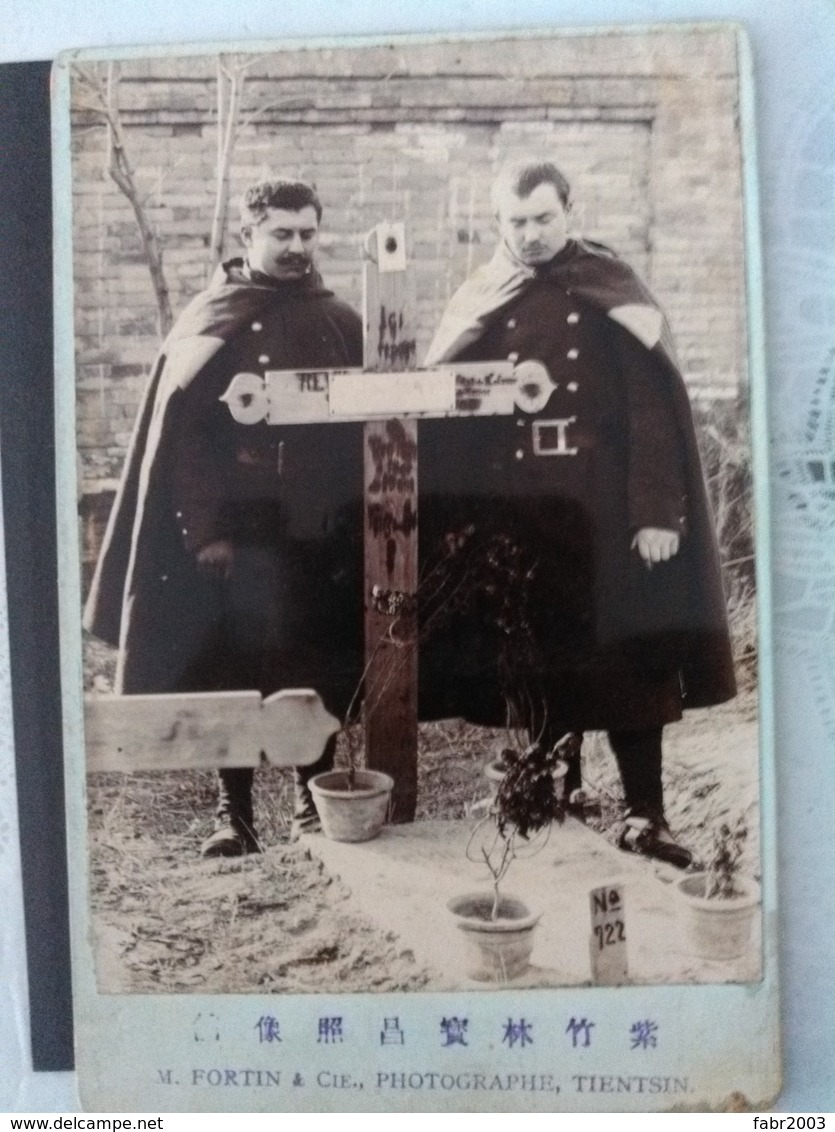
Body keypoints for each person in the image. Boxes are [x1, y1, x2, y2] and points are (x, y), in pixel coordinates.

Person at [420, 159, 737, 867]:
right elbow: (447, 403)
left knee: (630, 663)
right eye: (514, 222)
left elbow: (651, 408)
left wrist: (656, 512)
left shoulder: (610, 288)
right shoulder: (481, 295)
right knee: (534, 657)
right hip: (519, 512)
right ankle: (545, 791)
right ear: (496, 221)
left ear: (569, 212)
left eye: (542, 219)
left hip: (603, 507)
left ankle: (643, 813)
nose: (529, 235)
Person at [84, 178, 364, 857]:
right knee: (231, 661)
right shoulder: (212, 319)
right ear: (249, 237)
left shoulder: (339, 321)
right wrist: (205, 531)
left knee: (308, 658)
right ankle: (232, 814)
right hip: (238, 531)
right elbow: (184, 441)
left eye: (306, 234)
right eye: (281, 235)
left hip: (314, 529)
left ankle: (309, 798)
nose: (296, 248)